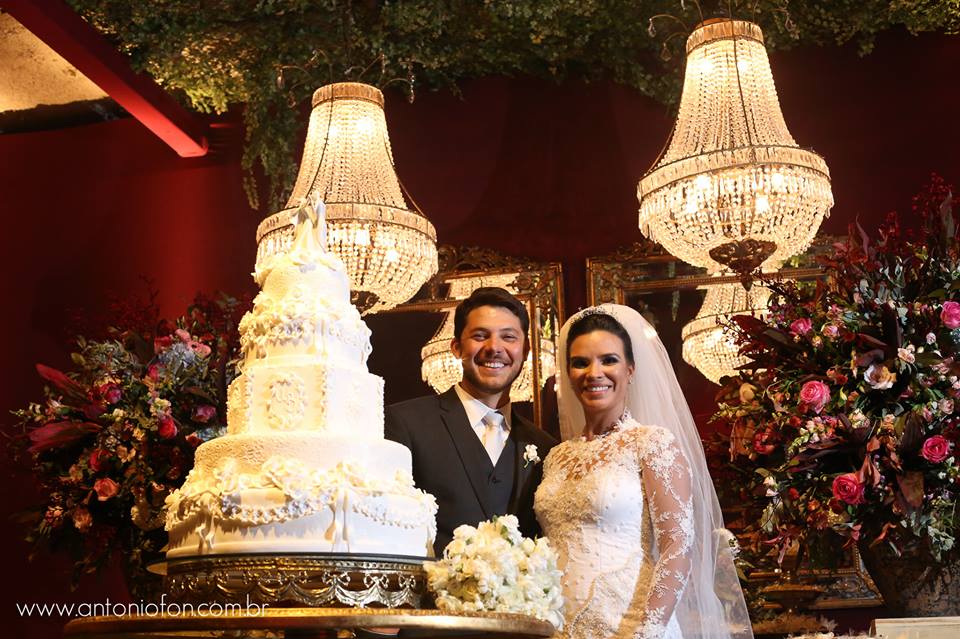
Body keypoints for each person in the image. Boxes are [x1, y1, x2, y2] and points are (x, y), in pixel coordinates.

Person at [534, 305, 752, 639]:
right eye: (581, 362)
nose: (594, 372)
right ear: (568, 372)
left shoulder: (652, 444)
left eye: (609, 360)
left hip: (631, 625)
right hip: (556, 627)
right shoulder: (555, 458)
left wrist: (646, 631)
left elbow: (677, 546)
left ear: (630, 369)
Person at [385, 287, 558, 556]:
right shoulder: (405, 423)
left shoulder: (546, 448)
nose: (494, 348)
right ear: (456, 347)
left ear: (525, 350)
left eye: (508, 337)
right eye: (480, 336)